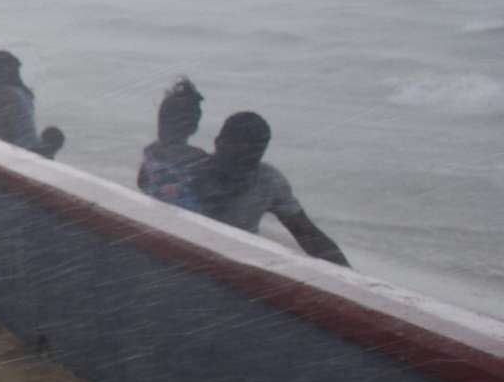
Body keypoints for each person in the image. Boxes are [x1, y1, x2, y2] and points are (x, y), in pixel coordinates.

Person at [183, 111, 348, 264]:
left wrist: (352, 278)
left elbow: (308, 235)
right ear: (218, 143)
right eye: (238, 154)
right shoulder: (190, 174)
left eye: (253, 157)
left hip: (241, 265)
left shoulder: (268, 181)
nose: (244, 165)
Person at [136, 77, 207, 206]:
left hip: (154, 214)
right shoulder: (199, 158)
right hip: (186, 221)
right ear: (193, 125)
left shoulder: (151, 153)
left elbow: (142, 183)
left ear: (161, 119)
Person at [0, 50, 60, 158]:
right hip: (31, 146)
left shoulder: (6, 94)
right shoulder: (23, 92)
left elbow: (8, 133)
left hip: (21, 151)